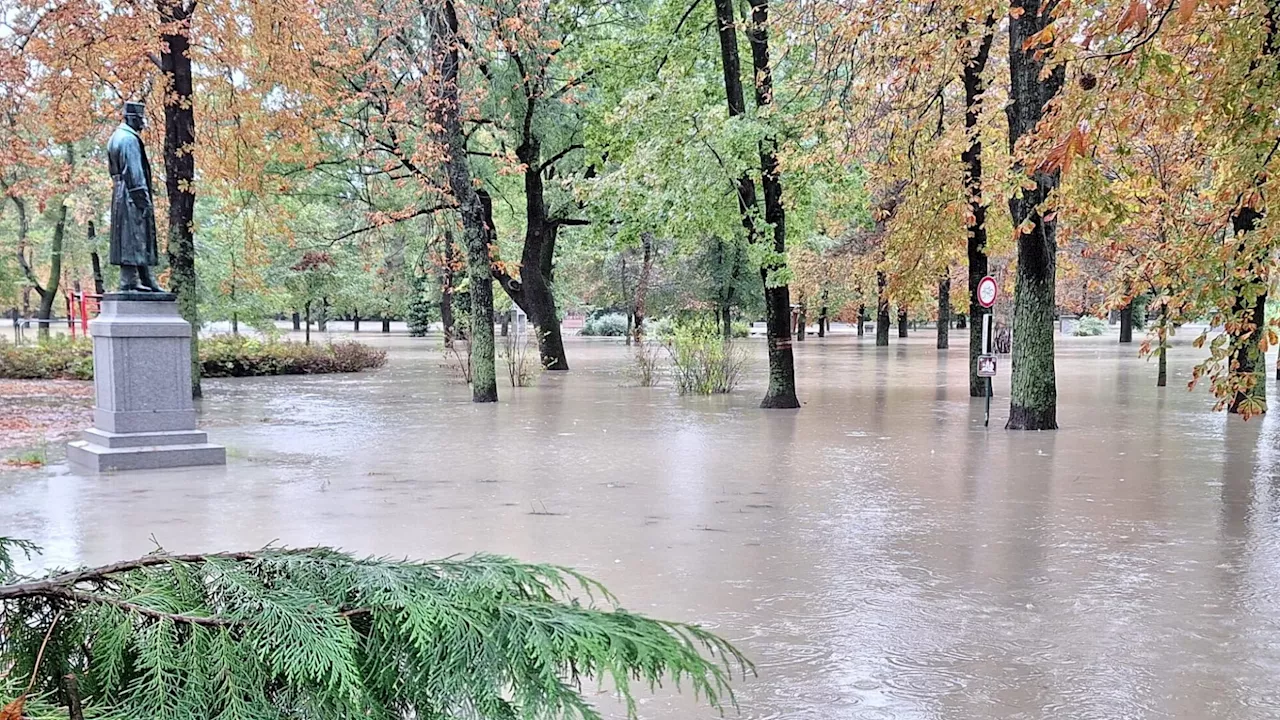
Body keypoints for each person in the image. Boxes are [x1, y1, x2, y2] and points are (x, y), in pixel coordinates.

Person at [107, 102, 163, 292]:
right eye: (140, 120)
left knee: (132, 237)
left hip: (120, 193)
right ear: (132, 118)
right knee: (135, 236)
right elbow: (135, 173)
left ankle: (146, 279)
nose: (142, 125)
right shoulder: (129, 140)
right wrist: (143, 200)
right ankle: (130, 280)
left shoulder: (115, 137)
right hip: (131, 194)